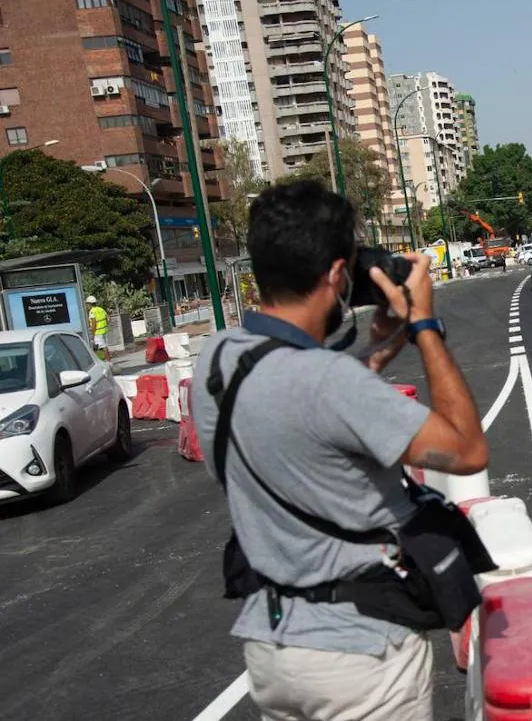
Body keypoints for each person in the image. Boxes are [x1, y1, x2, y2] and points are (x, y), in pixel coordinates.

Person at [191, 180, 488, 721]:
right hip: (359, 655)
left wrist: (379, 352)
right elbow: (467, 449)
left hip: (272, 648)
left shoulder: (215, 360)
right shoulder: (329, 384)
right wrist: (423, 327)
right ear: (334, 275)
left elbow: (298, 405)